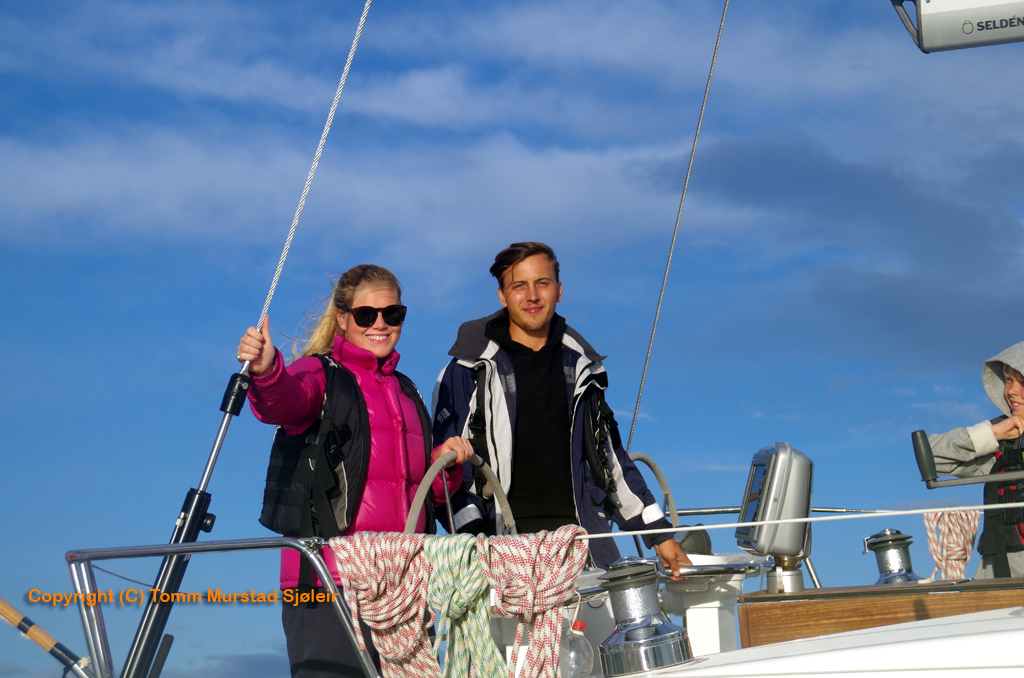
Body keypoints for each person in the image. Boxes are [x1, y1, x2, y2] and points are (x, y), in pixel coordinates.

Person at [237, 264, 473, 678]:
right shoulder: (319, 373)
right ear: (343, 319)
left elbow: (424, 495)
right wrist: (267, 370)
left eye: (392, 314)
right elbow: (286, 401)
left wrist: (447, 465)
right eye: (366, 315)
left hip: (402, 589)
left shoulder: (407, 391)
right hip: (326, 585)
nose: (380, 324)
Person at [431, 242, 691, 572]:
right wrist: (476, 546)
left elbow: (610, 461)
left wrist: (659, 533)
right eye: (519, 286)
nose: (532, 296)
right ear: (502, 296)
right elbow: (448, 473)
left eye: (542, 283)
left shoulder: (584, 368)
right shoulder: (467, 370)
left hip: (583, 554)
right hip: (500, 559)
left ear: (559, 290)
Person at [930, 341, 1024, 578]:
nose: (1011, 391)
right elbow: (930, 456)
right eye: (1008, 380)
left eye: (1022, 382)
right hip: (1000, 569)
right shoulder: (1002, 439)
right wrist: (993, 433)